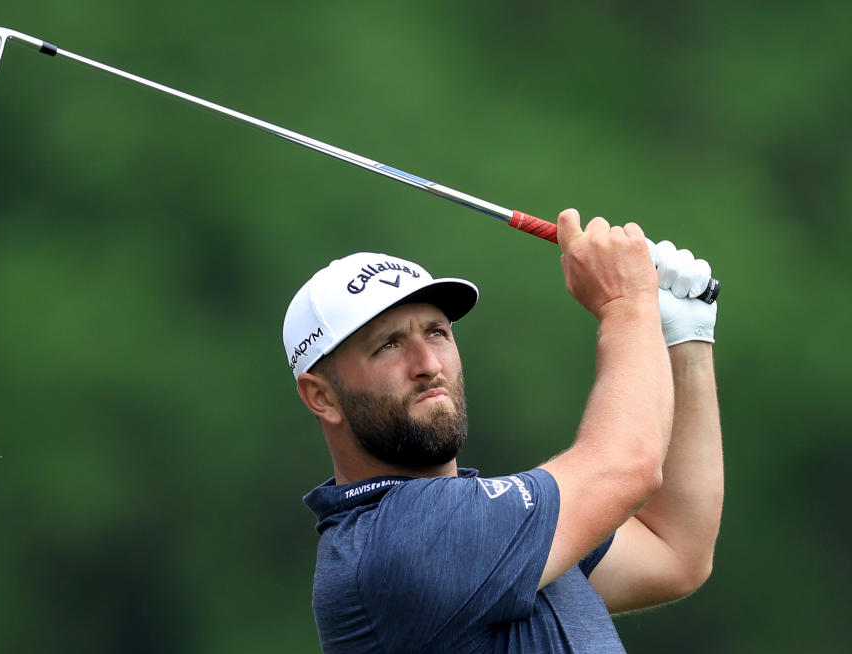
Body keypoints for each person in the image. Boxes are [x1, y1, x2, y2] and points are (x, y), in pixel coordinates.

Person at [282, 209, 723, 653]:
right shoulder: (399, 539)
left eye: (436, 333)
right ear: (322, 397)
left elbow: (673, 549)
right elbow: (627, 466)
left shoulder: (489, 526)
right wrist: (626, 306)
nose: (429, 366)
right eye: (388, 346)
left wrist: (685, 335)